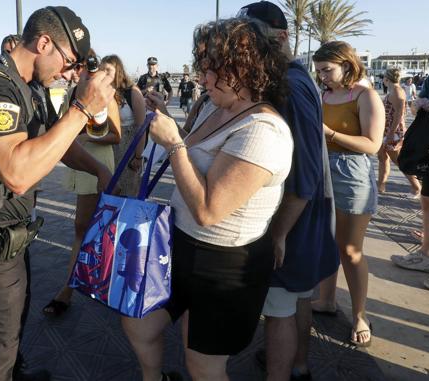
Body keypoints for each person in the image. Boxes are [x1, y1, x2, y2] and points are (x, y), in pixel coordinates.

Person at [0, 6, 115, 380]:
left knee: (12, 332)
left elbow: (57, 141)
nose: (69, 74)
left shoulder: (29, 88)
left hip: (11, 240)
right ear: (44, 42)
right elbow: (17, 173)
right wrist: (83, 107)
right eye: (69, 63)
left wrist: (99, 169)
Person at [122, 18, 293, 381]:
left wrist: (173, 143)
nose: (202, 78)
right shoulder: (219, 108)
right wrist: (171, 124)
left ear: (242, 67)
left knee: (203, 365)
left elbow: (209, 209)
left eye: (209, 67)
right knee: (137, 323)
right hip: (180, 246)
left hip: (225, 266)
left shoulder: (264, 130)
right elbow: (198, 153)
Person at [237, 3, 340, 380]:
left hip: (293, 220)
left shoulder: (291, 86)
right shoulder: (297, 78)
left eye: (252, 37)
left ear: (280, 37)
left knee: (279, 305)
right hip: (304, 216)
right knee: (296, 297)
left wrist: (279, 233)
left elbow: (306, 172)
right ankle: (299, 364)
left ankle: (286, 368)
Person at [311, 41, 385, 348]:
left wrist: (328, 133)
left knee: (351, 250)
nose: (323, 76)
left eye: (327, 70)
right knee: (328, 244)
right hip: (323, 172)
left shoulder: (365, 96)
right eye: (319, 72)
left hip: (353, 175)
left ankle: (359, 314)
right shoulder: (325, 95)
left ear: (346, 64)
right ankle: (327, 300)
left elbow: (372, 145)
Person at [42, 52, 121, 316]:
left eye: (83, 68)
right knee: (91, 227)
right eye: (78, 68)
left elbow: (116, 135)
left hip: (96, 165)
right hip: (79, 163)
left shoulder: (104, 95)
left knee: (82, 227)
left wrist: (86, 138)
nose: (79, 72)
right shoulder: (73, 92)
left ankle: (68, 291)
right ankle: (103, 279)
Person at [391, 50, 429, 285]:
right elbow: (417, 105)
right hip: (428, 146)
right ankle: (427, 255)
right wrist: (420, 105)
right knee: (427, 199)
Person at [101, 54, 147, 197]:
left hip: (128, 150)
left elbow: (141, 126)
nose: (104, 74)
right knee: (109, 191)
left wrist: (138, 156)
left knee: (128, 192)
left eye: (108, 70)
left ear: (118, 70)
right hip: (108, 150)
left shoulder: (132, 92)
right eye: (101, 70)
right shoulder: (104, 92)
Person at [377, 68, 421, 197]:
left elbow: (398, 115)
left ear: (387, 78)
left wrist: (391, 133)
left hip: (393, 131)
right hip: (386, 130)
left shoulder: (397, 92)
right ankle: (381, 187)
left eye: (383, 77)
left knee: (400, 161)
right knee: (382, 157)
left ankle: (417, 187)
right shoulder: (394, 90)